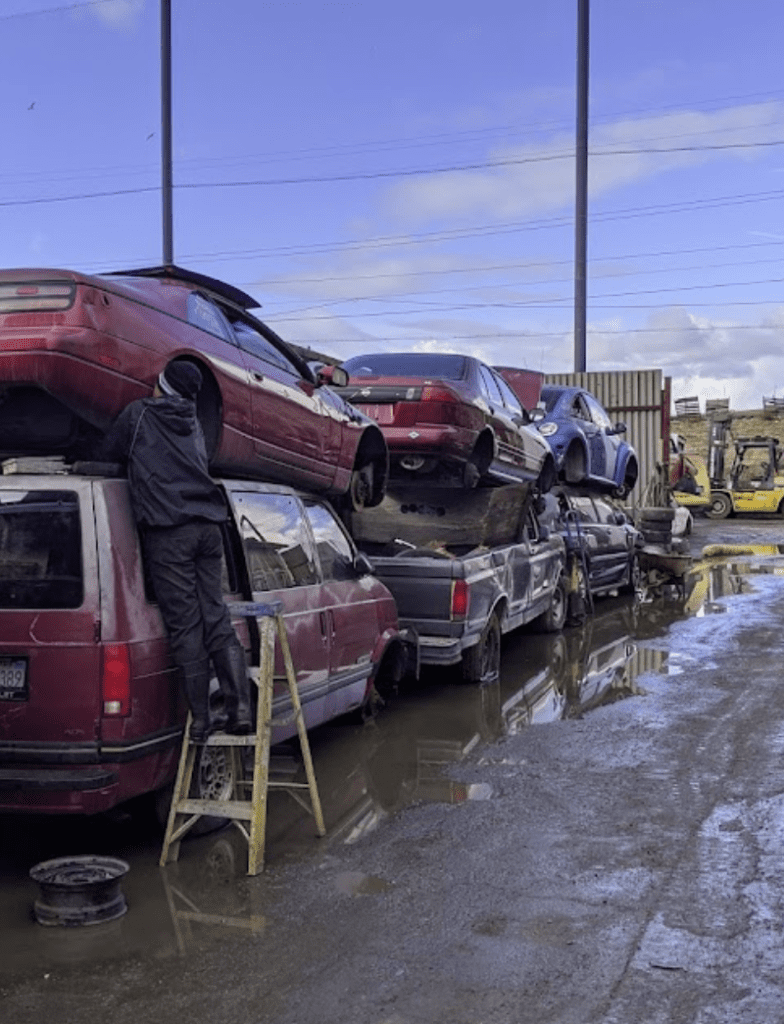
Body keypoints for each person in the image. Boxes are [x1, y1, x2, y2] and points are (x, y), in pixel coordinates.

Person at [101, 361, 252, 742]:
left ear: (161, 386)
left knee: (185, 625)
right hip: (208, 528)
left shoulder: (138, 416)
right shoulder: (193, 421)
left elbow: (109, 451)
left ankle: (200, 720)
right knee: (215, 614)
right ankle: (239, 709)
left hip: (170, 532)